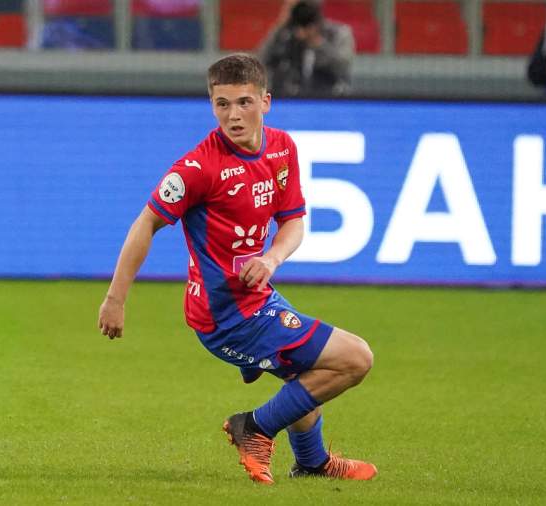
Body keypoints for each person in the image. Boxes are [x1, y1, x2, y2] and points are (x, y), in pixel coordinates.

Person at [97, 53, 376, 484]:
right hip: (226, 316)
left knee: (307, 376)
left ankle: (312, 462)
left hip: (258, 298)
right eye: (222, 104)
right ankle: (256, 427)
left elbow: (293, 221)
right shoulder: (198, 168)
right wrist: (115, 299)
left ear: (266, 101)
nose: (233, 115)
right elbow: (145, 223)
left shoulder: (282, 148)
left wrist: (271, 259)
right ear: (212, 105)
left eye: (244, 102)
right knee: (356, 359)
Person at [259, 0, 355, 97]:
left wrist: (318, 43)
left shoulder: (338, 33)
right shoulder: (286, 35)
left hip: (330, 98)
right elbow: (260, 62)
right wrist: (280, 25)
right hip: (291, 98)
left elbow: (343, 66)